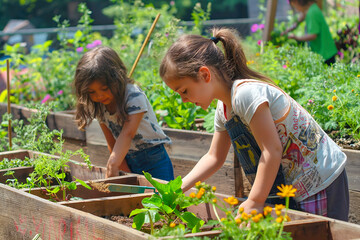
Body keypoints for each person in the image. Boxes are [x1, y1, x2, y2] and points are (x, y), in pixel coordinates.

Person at [159, 28, 349, 221]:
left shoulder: (245, 95)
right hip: (295, 184)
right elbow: (214, 157)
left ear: (205, 75)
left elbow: (271, 150)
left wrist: (255, 201)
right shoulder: (223, 109)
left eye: (184, 91)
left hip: (320, 178)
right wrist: (178, 188)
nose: (183, 100)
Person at [74, 46, 174, 181]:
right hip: (126, 157)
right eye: (92, 92)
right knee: (135, 200)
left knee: (164, 198)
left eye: (104, 88)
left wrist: (113, 162)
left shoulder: (133, 96)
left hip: (154, 158)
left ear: (117, 78)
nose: (99, 96)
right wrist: (125, 173)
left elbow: (128, 133)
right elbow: (112, 142)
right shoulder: (99, 106)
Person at [282, 0, 338, 65]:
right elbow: (300, 19)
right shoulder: (312, 8)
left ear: (297, 2)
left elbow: (313, 35)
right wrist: (289, 29)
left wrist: (296, 37)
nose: (296, 10)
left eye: (294, 6)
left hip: (325, 54)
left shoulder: (312, 13)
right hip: (326, 51)